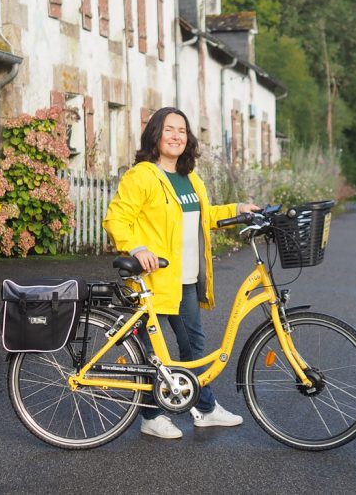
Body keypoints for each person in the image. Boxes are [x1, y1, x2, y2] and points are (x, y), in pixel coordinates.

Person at [103, 106, 259, 439]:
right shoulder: (143, 175)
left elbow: (203, 216)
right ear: (155, 134)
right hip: (151, 280)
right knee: (150, 354)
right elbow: (116, 219)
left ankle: (204, 408)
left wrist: (237, 210)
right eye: (170, 129)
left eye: (182, 131)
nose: (177, 136)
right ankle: (151, 417)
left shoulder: (190, 178)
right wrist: (137, 247)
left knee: (193, 346)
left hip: (185, 279)